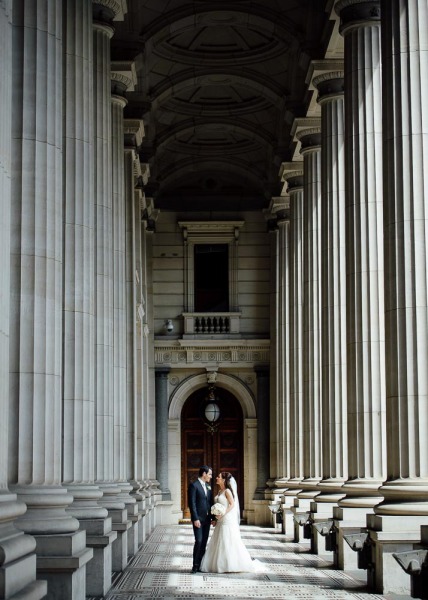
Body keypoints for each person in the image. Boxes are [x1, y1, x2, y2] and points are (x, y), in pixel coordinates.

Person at [200, 471, 265, 573]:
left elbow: (232, 504)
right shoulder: (219, 491)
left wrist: (223, 514)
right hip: (220, 520)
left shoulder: (227, 491)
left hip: (227, 519)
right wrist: (216, 519)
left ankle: (230, 564)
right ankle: (219, 564)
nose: (216, 478)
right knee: (219, 540)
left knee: (228, 540)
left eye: (219, 477)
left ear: (224, 480)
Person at [188, 465, 214, 573]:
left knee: (204, 542)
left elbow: (210, 503)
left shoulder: (208, 486)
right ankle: (195, 565)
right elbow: (192, 503)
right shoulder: (194, 486)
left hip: (207, 519)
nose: (211, 477)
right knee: (198, 541)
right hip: (198, 520)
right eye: (209, 474)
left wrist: (213, 518)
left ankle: (200, 565)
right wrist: (195, 518)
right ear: (204, 474)